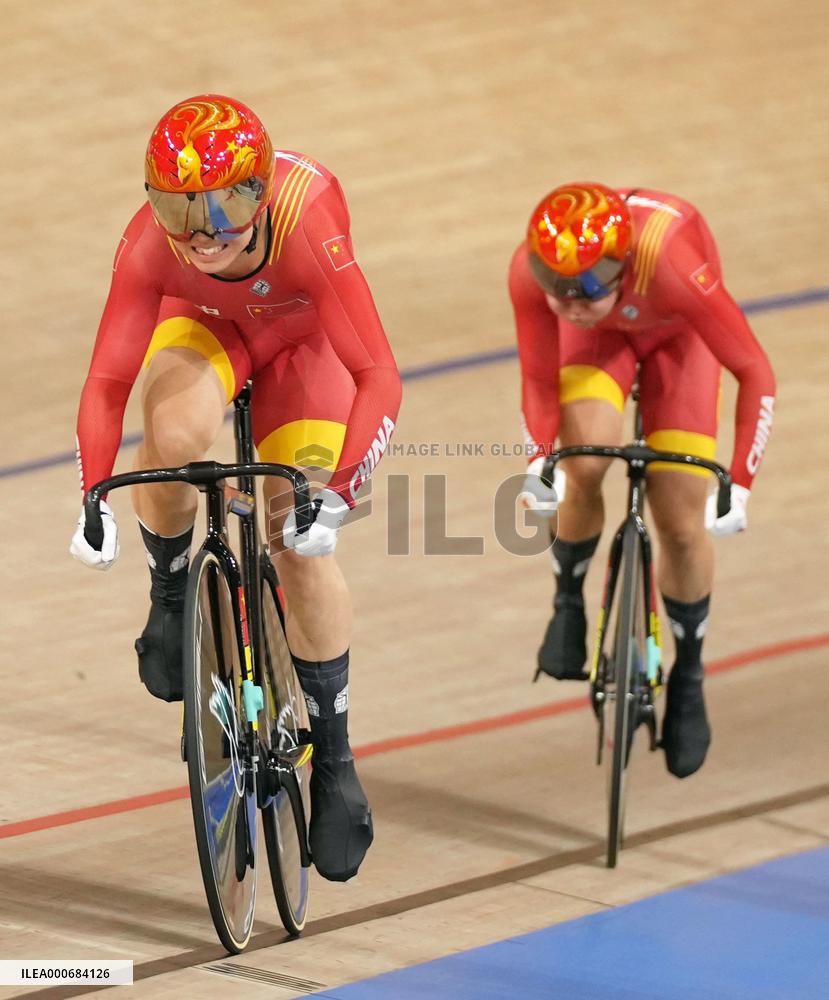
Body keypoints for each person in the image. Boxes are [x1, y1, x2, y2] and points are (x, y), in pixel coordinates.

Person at [70, 94, 402, 880]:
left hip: (303, 350)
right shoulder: (149, 245)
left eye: (225, 205)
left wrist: (338, 492)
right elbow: (108, 379)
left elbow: (377, 374)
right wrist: (93, 495)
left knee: (297, 542)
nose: (203, 232)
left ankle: (335, 758)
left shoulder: (307, 219)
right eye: (179, 208)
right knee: (174, 438)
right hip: (207, 327)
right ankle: (170, 591)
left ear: (261, 192)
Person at [510, 182, 776, 778]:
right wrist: (537, 461)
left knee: (680, 524)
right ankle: (567, 598)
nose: (569, 303)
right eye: (556, 289)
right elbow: (537, 377)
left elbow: (755, 370)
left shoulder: (672, 263)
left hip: (680, 340)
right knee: (581, 465)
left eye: (586, 289)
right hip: (600, 345)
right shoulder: (539, 275)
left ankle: (690, 671)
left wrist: (740, 482)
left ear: (624, 268)